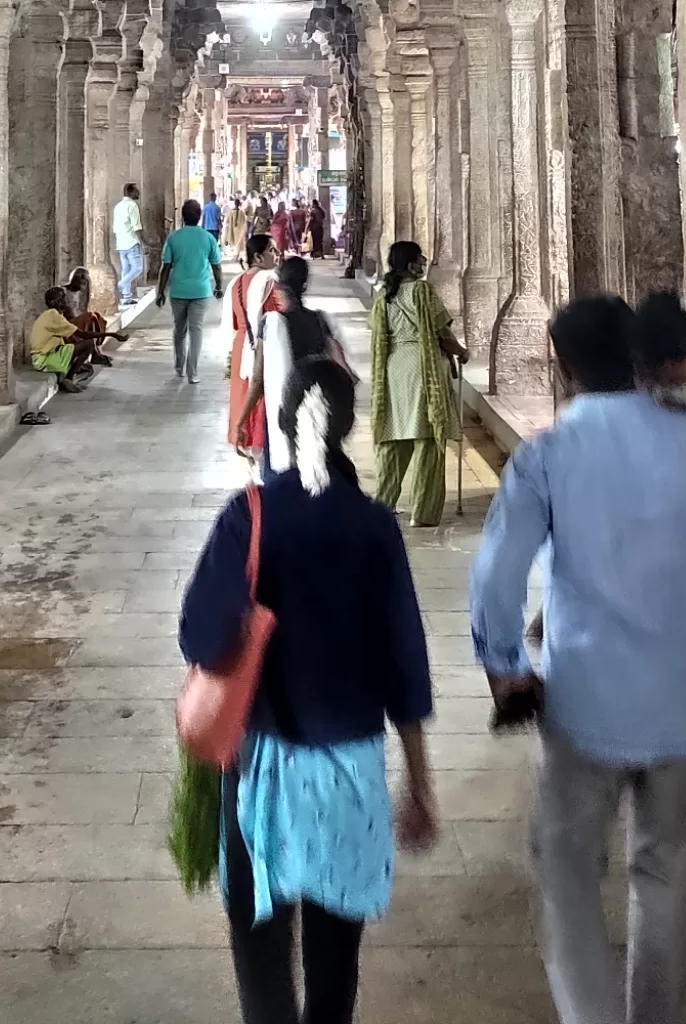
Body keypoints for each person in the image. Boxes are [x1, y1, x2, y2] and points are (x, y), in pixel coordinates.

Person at [470, 292, 686, 1024]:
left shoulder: (547, 456)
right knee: (667, 874)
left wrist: (505, 668)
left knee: (568, 873)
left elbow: (496, 577)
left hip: (585, 703)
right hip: (684, 697)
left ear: (559, 362)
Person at [179, 354, 438, 1024]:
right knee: (333, 961)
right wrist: (420, 787)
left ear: (284, 424)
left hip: (261, 776)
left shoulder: (250, 515)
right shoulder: (376, 526)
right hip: (349, 776)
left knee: (262, 954)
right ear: (348, 426)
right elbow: (404, 667)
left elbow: (200, 637)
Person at [370, 242, 468, 529]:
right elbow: (442, 332)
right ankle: (422, 513)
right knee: (427, 439)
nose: (424, 262)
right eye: (420, 258)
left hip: (394, 369)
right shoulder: (422, 291)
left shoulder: (383, 295)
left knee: (394, 438)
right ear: (411, 265)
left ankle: (383, 505)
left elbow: (378, 333)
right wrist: (461, 352)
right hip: (423, 368)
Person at [236, 255, 350, 475]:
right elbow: (338, 367)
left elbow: (258, 379)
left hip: (284, 408)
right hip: (318, 407)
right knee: (319, 468)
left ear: (278, 286)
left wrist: (241, 420)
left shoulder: (271, 323)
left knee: (282, 472)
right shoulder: (319, 320)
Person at [156, 198, 224, 384]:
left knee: (179, 330)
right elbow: (216, 266)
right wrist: (219, 286)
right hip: (201, 291)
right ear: (200, 216)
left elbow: (166, 267)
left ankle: (179, 367)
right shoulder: (208, 238)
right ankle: (192, 373)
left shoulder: (174, 238)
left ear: (182, 216)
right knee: (197, 331)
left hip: (178, 291)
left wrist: (160, 291)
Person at [224, 233, 276, 454]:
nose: (277, 255)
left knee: (242, 394)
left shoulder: (235, 284)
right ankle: (258, 442)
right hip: (264, 347)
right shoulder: (270, 284)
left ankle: (242, 437)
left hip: (241, 346)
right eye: (272, 251)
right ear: (258, 256)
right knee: (261, 398)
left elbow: (235, 322)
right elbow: (275, 319)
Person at [29, 287, 107, 391]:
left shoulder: (54, 314)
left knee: (87, 370)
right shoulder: (52, 315)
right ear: (58, 301)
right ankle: (69, 379)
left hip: (50, 355)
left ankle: (68, 379)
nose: (66, 301)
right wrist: (112, 335)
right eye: (64, 298)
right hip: (44, 359)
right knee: (89, 344)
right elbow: (82, 334)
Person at [65, 266, 124, 350]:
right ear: (76, 279)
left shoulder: (77, 293)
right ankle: (96, 352)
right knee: (90, 317)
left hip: (76, 321)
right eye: (83, 282)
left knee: (96, 318)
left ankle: (96, 350)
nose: (85, 285)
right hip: (66, 322)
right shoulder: (63, 291)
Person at [113, 183, 144, 306]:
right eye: (136, 191)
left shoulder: (118, 206)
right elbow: (136, 227)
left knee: (126, 269)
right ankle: (120, 286)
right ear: (130, 192)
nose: (138, 193)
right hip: (131, 241)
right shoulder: (132, 205)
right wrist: (143, 242)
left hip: (121, 242)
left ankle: (126, 297)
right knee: (137, 268)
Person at [225, 194, 248, 261]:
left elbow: (244, 221)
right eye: (236, 203)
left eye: (237, 203)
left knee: (238, 242)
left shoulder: (241, 212)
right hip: (233, 230)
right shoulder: (232, 211)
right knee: (235, 242)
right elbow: (228, 221)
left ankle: (237, 255)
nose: (236, 204)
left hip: (239, 230)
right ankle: (236, 255)